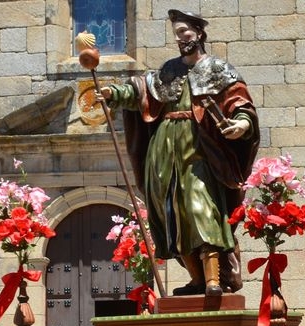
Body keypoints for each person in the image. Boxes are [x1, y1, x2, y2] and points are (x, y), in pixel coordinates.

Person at [100, 9, 258, 296]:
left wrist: (243, 123)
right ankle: (196, 279)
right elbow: (141, 92)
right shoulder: (168, 71)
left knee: (201, 209)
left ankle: (213, 281)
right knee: (171, 214)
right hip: (163, 151)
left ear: (199, 33)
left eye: (184, 31)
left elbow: (239, 101)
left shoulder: (218, 69)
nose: (180, 38)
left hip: (199, 150)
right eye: (176, 33)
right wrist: (114, 93)